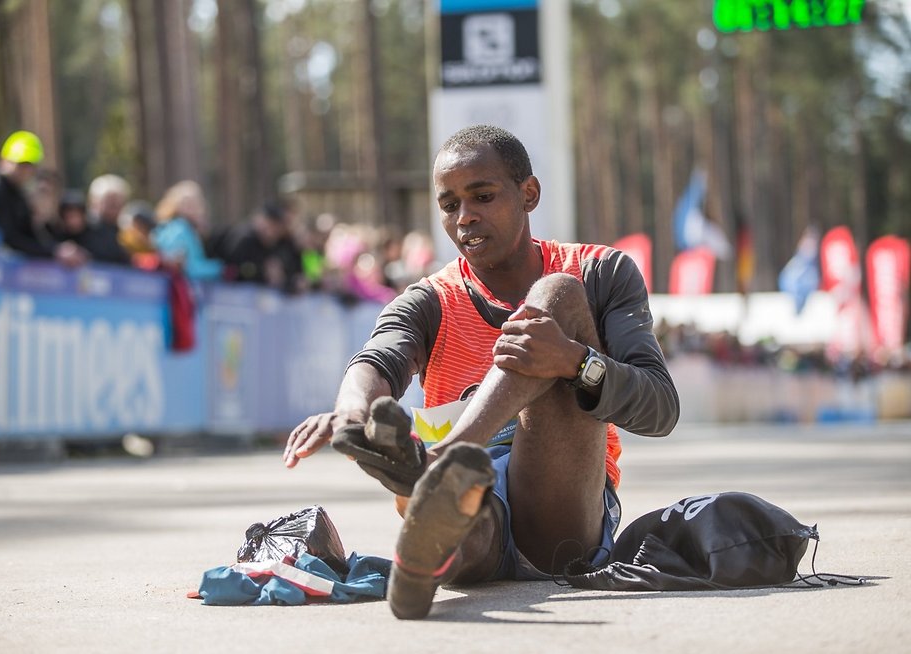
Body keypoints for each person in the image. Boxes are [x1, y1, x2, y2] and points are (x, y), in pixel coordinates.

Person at [282, 125, 679, 619]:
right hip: (474, 512)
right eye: (449, 206)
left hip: (558, 517)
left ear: (528, 193)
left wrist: (577, 362)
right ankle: (428, 552)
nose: (465, 217)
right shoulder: (428, 298)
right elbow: (377, 361)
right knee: (467, 512)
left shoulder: (600, 271)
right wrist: (350, 413)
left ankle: (442, 461)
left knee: (556, 294)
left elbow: (661, 409)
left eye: (483, 197)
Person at [0, 130, 85, 267]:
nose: (25, 170)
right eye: (21, 164)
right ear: (4, 161)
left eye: (29, 165)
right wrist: (54, 252)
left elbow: (30, 236)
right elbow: (10, 238)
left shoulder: (18, 194)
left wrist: (58, 249)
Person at [152, 180, 223, 281]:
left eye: (196, 202)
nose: (193, 207)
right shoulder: (178, 230)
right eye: (188, 203)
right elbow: (189, 268)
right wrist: (221, 268)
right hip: (181, 289)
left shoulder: (185, 228)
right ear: (177, 205)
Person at [83, 174, 132, 265]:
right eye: (110, 203)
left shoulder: (128, 232)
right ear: (94, 202)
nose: (115, 208)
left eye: (118, 203)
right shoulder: (83, 229)